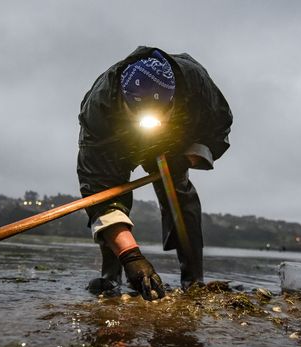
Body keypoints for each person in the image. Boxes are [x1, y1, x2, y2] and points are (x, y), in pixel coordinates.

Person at [77, 46, 232, 301]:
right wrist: (132, 255)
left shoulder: (195, 84)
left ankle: (194, 280)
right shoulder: (99, 111)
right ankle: (112, 277)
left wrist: (189, 156)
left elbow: (219, 124)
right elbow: (98, 191)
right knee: (108, 201)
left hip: (174, 139)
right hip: (117, 143)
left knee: (179, 193)